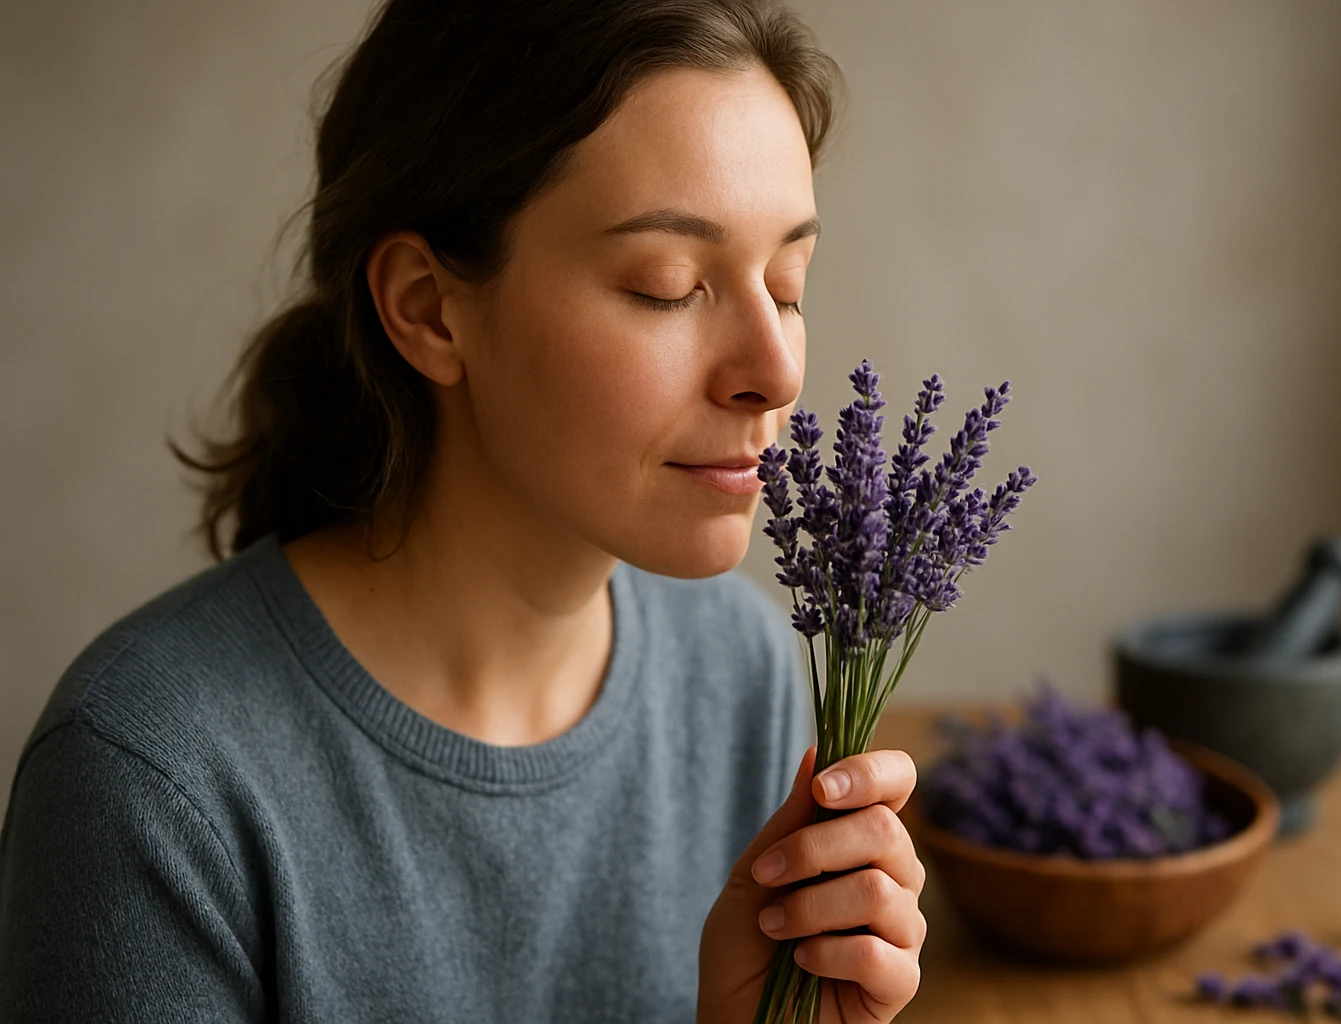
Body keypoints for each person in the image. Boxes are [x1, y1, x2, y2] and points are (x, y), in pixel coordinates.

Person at [0, 1, 927, 1021]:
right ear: (428, 307)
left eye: (788, 283)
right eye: (670, 286)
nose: (777, 368)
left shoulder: (742, 673)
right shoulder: (148, 777)